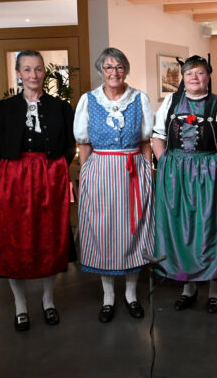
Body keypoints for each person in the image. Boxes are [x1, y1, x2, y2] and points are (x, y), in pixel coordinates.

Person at [0, 50, 75, 331]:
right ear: (18, 73)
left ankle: (48, 301)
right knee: (15, 239)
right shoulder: (4, 107)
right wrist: (3, 175)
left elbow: (68, 143)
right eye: (27, 70)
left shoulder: (60, 107)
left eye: (38, 69)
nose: (34, 75)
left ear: (44, 73)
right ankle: (20, 305)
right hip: (12, 177)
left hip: (49, 176)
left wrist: (57, 169)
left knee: (48, 237)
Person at [152, 55, 217, 314]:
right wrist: (166, 163)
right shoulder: (170, 102)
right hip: (175, 176)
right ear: (183, 77)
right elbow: (157, 136)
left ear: (208, 76)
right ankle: (187, 288)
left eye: (200, 73)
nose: (194, 78)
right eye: (189, 73)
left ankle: (214, 290)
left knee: (209, 228)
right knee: (181, 229)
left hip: (209, 174)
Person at [74, 47, 154, 323]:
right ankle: (108, 296)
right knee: (104, 231)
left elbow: (145, 141)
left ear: (126, 70)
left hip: (133, 171)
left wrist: (147, 174)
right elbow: (84, 144)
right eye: (108, 67)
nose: (114, 72)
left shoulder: (139, 98)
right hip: (100, 172)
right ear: (101, 71)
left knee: (133, 230)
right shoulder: (89, 100)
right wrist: (84, 176)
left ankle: (131, 294)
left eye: (119, 67)